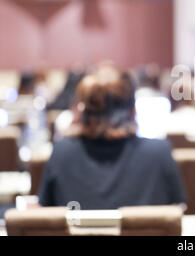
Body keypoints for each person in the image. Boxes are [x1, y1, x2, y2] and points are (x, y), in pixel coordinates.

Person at [38, 64, 186, 209]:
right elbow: (175, 213)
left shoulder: (61, 152)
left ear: (81, 112)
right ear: (134, 111)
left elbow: (48, 217)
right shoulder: (159, 153)